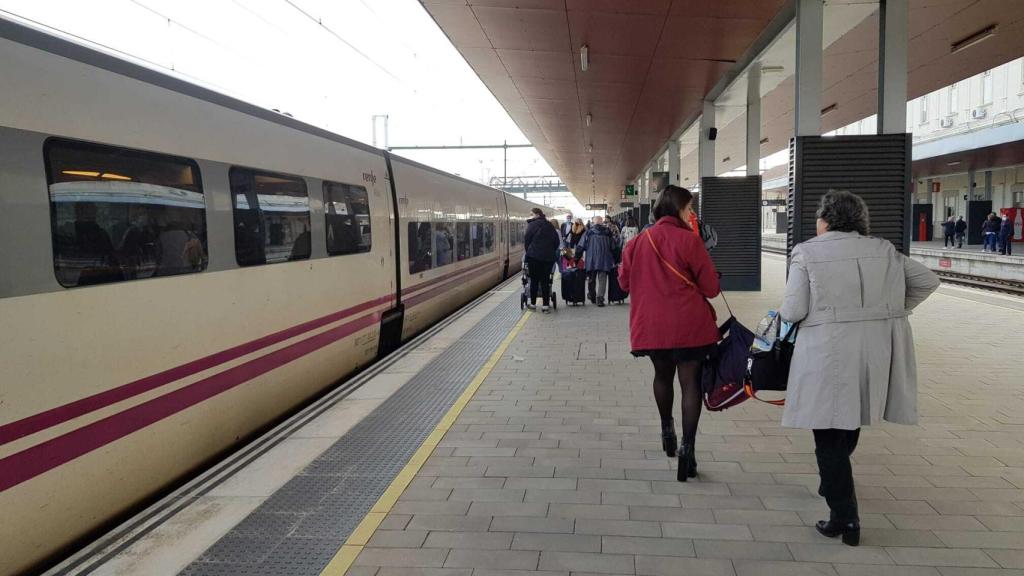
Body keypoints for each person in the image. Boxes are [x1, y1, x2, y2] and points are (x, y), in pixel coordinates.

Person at [780, 190, 939, 547]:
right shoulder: (883, 250)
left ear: (825, 220)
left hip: (827, 352)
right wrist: (891, 310)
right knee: (850, 419)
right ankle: (834, 480)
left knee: (827, 433)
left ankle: (845, 517)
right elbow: (929, 281)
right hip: (875, 351)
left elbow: (791, 311)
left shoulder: (807, 252)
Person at [618, 186, 720, 482]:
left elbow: (624, 284)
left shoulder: (636, 243)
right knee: (690, 384)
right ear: (678, 209)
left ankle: (667, 431)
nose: (691, 215)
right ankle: (688, 450)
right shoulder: (690, 242)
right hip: (691, 327)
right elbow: (711, 289)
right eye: (689, 209)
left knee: (662, 377)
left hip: (653, 327)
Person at [523, 207, 560, 312]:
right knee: (545, 281)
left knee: (534, 281)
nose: (531, 216)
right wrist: (550, 250)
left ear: (537, 214)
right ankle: (545, 306)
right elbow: (556, 241)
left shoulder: (531, 225)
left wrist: (529, 251)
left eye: (532, 214)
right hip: (548, 258)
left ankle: (533, 304)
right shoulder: (549, 225)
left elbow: (527, 240)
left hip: (534, 257)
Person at [576, 215, 617, 306]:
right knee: (602, 279)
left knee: (591, 279)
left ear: (593, 222)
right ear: (602, 222)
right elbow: (614, 247)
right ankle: (600, 298)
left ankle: (592, 295)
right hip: (604, 259)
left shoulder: (588, 232)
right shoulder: (607, 232)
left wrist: (576, 259)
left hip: (591, 259)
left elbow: (580, 246)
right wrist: (616, 259)